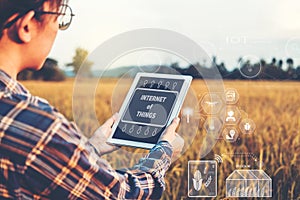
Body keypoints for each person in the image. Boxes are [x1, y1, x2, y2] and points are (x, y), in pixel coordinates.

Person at [0, 0, 184, 199]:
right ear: (26, 26)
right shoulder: (34, 125)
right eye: (59, 19)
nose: (58, 29)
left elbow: (44, 171)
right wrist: (164, 151)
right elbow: (122, 194)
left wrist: (92, 148)